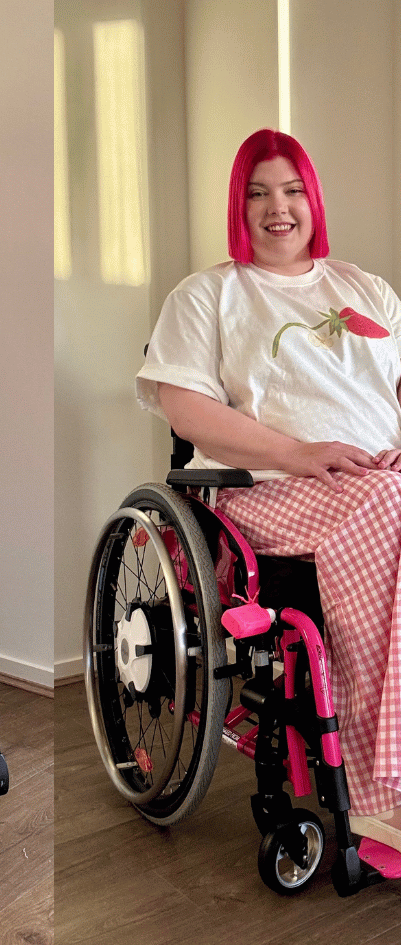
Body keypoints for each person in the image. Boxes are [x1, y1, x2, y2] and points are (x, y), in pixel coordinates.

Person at [137, 128, 401, 849]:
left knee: (387, 499)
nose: (276, 208)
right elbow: (187, 411)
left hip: (380, 480)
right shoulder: (207, 296)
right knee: (385, 508)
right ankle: (380, 791)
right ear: (238, 205)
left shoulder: (366, 288)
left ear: (312, 199)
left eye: (290, 190)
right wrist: (301, 451)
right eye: (257, 193)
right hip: (274, 492)